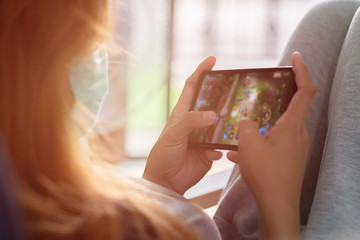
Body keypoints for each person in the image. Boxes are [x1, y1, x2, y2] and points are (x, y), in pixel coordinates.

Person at [0, 1, 316, 240]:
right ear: (49, 62)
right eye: (96, 42)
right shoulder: (176, 230)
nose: (105, 58)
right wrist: (280, 209)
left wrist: (158, 188)